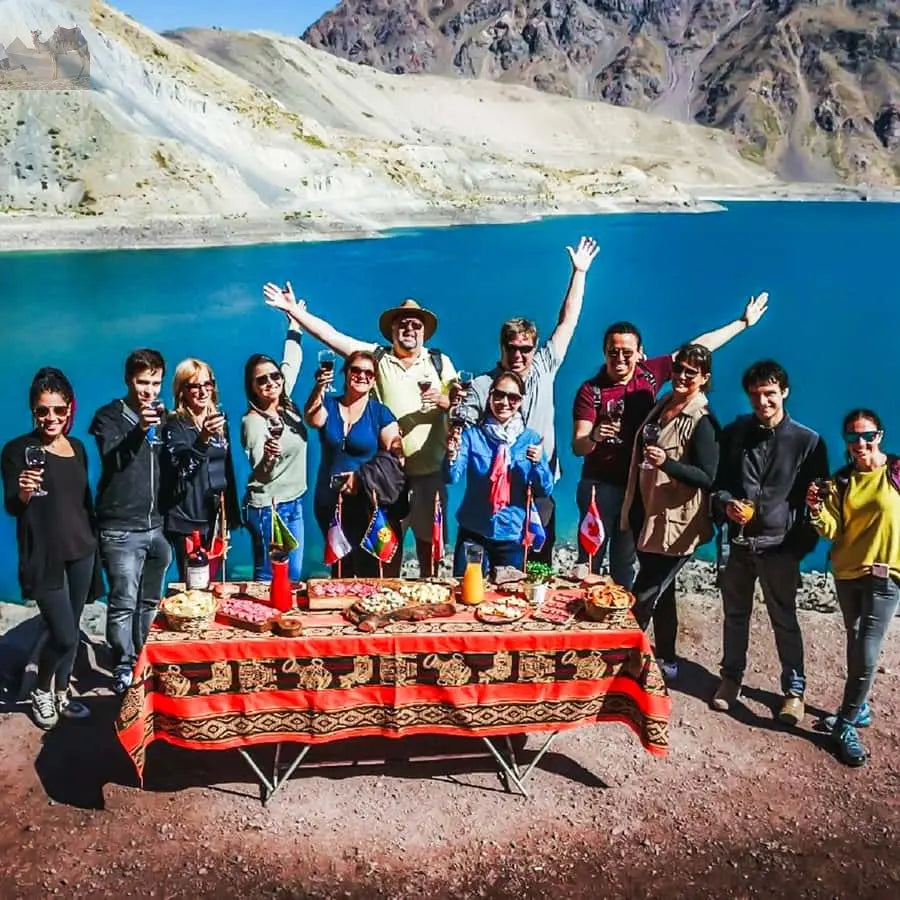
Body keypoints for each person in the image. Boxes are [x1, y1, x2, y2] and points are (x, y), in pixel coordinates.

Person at [571, 292, 770, 587]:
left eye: (627, 352)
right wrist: (596, 436)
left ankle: (616, 623)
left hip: (636, 488)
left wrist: (742, 323)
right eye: (613, 351)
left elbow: (696, 351)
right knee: (589, 558)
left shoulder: (650, 374)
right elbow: (578, 446)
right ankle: (582, 624)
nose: (620, 358)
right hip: (599, 486)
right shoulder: (591, 390)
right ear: (604, 353)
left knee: (625, 563)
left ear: (641, 353)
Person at [262, 283, 457, 577]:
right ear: (392, 330)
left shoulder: (440, 363)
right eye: (402, 324)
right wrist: (293, 312)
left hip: (429, 473)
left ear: (424, 332)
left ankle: (425, 602)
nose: (409, 329)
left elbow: (461, 404)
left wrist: (444, 401)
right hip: (390, 477)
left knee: (428, 548)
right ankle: (387, 604)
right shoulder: (376, 358)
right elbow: (330, 336)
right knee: (385, 550)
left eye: (415, 325)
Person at [459, 236, 600, 564]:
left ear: (534, 349)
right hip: (499, 494)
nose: (519, 355)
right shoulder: (483, 385)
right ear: (502, 348)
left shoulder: (545, 366)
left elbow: (568, 322)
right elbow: (464, 420)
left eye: (526, 348)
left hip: (539, 486)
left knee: (537, 566)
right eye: (513, 348)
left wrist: (579, 272)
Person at [710, 360, 828, 724]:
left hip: (779, 548)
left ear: (784, 393)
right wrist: (727, 504)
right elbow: (720, 484)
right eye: (756, 395)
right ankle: (731, 680)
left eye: (770, 394)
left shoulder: (808, 442)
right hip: (740, 546)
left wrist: (797, 549)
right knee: (735, 615)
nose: (763, 402)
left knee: (784, 618)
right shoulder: (735, 434)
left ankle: (794, 692)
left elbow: (818, 500)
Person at [2, 368, 100, 728]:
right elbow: (14, 504)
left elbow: (83, 502)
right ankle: (42, 690)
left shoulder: (76, 448)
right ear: (33, 411)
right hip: (44, 556)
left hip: (82, 551)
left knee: (72, 626)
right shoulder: (16, 451)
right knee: (63, 633)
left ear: (69, 409)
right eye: (43, 411)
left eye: (59, 410)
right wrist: (25, 490)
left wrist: (96, 545)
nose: (51, 418)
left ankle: (62, 691)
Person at [620, 344, 719, 682]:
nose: (681, 376)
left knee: (644, 593)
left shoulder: (702, 421)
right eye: (679, 369)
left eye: (691, 372)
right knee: (663, 592)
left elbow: (707, 476)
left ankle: (624, 661)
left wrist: (669, 463)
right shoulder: (663, 404)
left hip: (677, 526)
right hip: (649, 516)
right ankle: (667, 658)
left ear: (704, 379)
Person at [807, 409, 899, 767]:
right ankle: (857, 708)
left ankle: (844, 724)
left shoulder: (896, 471)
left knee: (867, 648)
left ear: (880, 436)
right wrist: (815, 510)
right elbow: (832, 529)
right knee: (856, 637)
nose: (860, 444)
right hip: (847, 573)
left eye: (867, 436)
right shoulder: (841, 481)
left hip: (886, 575)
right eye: (852, 437)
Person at [89, 349, 172, 695]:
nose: (148, 391)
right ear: (128, 380)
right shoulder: (108, 417)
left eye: (155, 383)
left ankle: (144, 659)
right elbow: (113, 459)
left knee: (150, 601)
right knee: (123, 600)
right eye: (142, 382)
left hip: (156, 526)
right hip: (120, 528)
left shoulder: (162, 418)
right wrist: (139, 429)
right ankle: (123, 665)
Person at [445, 371, 553, 575]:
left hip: (511, 533)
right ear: (490, 397)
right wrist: (451, 455)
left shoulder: (530, 439)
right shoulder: (472, 436)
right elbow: (451, 477)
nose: (504, 402)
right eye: (499, 395)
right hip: (474, 531)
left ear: (520, 401)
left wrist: (538, 463)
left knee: (508, 595)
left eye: (512, 398)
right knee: (467, 590)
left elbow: (545, 489)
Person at [305, 350, 402, 577]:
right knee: (339, 564)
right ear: (345, 373)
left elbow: (396, 453)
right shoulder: (328, 404)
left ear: (374, 380)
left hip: (365, 501)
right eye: (356, 370)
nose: (362, 376)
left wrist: (363, 476)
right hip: (329, 500)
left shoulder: (380, 413)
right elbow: (312, 418)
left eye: (368, 373)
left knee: (368, 565)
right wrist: (319, 388)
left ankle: (367, 609)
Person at [241, 298, 307, 582]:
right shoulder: (253, 423)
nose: (271, 382)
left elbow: (291, 361)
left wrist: (294, 323)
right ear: (252, 388)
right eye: (262, 380)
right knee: (270, 575)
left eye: (274, 376)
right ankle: (262, 622)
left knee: (293, 574)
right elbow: (262, 473)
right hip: (269, 507)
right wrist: (269, 455)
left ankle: (285, 618)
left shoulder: (286, 403)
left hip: (295, 501)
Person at [163, 359, 240, 581]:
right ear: (182, 391)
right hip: (187, 520)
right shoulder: (174, 425)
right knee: (194, 583)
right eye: (194, 386)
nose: (203, 390)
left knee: (214, 582)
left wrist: (231, 514)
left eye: (208, 384)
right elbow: (182, 471)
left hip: (215, 518)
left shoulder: (218, 420)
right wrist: (202, 439)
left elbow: (226, 467)